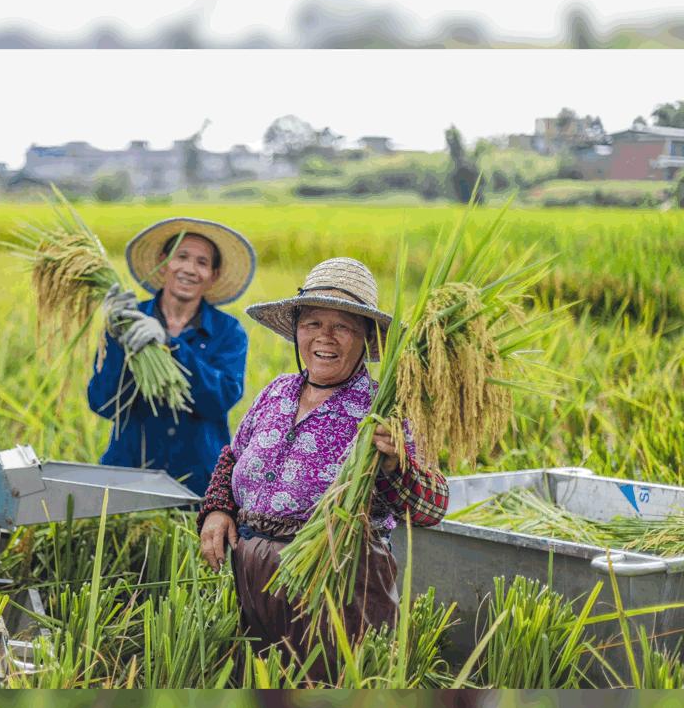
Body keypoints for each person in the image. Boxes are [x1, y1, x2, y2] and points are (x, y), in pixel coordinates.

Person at [196, 256, 449, 670]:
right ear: (296, 329)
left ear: (366, 338)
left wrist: (393, 466)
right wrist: (218, 508)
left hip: (337, 588)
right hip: (251, 579)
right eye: (312, 323)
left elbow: (432, 506)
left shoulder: (383, 409)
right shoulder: (277, 392)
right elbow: (232, 457)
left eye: (342, 326)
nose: (324, 338)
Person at [87, 218, 256, 497]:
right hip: (128, 478)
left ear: (213, 275)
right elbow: (103, 404)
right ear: (164, 262)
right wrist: (119, 341)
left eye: (202, 262)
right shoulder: (128, 321)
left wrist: (170, 344)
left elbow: (220, 400)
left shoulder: (229, 332)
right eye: (182, 257)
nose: (190, 269)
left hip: (198, 485)